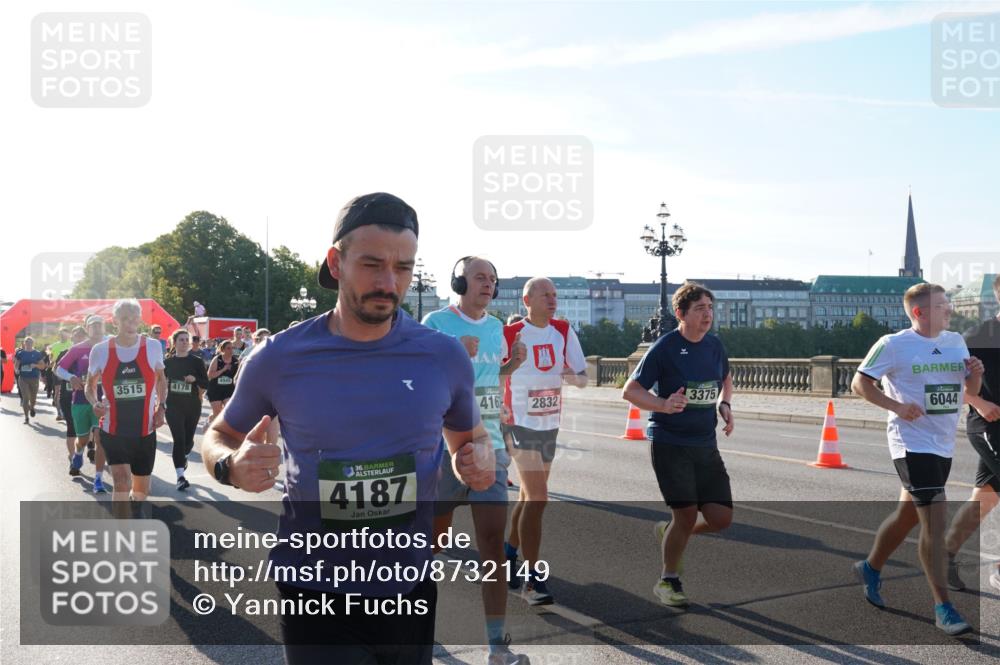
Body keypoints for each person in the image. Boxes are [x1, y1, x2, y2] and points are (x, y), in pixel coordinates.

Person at [202, 192, 494, 665]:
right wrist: (229, 467)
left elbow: (470, 442)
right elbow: (218, 436)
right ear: (336, 262)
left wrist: (479, 463)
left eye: (403, 267)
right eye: (372, 264)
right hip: (314, 589)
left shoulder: (443, 356)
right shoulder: (278, 357)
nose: (388, 282)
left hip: (408, 586)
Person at [851, 283, 983, 636]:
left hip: (942, 443)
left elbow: (967, 392)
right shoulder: (893, 344)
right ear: (919, 312)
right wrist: (896, 406)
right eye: (942, 305)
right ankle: (944, 607)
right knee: (934, 522)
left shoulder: (955, 341)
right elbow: (860, 383)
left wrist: (976, 374)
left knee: (907, 515)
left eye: (948, 304)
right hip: (910, 443)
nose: (949, 310)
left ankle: (870, 567)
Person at [423, 256, 529, 664]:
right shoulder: (435, 324)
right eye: (480, 277)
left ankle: (497, 647)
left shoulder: (496, 329)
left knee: (492, 547)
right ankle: (421, 631)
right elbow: (415, 379)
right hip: (442, 449)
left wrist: (512, 366)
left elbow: (487, 381)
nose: (488, 284)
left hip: (491, 449)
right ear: (459, 282)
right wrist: (450, 353)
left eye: (493, 279)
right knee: (430, 546)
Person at [622, 283, 735, 607]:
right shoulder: (666, 347)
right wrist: (662, 404)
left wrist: (725, 405)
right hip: (670, 442)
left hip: (705, 444)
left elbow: (725, 378)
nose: (707, 314)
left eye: (710, 308)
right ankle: (668, 580)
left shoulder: (714, 346)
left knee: (721, 518)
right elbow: (630, 390)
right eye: (700, 309)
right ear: (681, 314)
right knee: (685, 515)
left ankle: (671, 531)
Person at [501, 277, 587, 606]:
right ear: (527, 300)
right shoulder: (510, 334)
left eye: (555, 294)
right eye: (545, 294)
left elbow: (582, 377)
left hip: (549, 422)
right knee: (538, 497)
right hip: (518, 424)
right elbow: (492, 375)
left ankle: (508, 554)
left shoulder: (563, 331)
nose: (553, 300)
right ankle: (533, 581)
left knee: (527, 498)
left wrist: (571, 376)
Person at [945, 274, 1000, 593]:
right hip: (990, 425)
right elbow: (947, 380)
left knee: (985, 499)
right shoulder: (979, 336)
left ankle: (943, 556)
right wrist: (977, 401)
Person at [85, 299, 167, 508]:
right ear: (115, 321)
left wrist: (161, 407)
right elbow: (89, 385)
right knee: (121, 482)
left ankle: (132, 508)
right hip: (113, 429)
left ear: (139, 320)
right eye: (124, 319)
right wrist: (95, 402)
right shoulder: (101, 350)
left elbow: (161, 380)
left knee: (141, 491)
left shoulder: (153, 346)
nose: (130, 324)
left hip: (144, 431)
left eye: (134, 319)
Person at [56, 316, 109, 487]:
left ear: (104, 327)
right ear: (87, 328)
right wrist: (70, 377)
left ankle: (99, 478)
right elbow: (59, 368)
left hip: (104, 401)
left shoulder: (111, 346)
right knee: (83, 439)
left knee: (101, 439)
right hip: (80, 400)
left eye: (99, 325)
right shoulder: (78, 349)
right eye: (92, 326)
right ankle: (78, 452)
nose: (96, 328)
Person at [165, 329, 209, 491]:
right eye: (181, 340)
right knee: (179, 439)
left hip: (192, 406)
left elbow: (206, 384)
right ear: (174, 342)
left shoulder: (196, 362)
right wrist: (159, 403)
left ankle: (184, 457)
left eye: (186, 340)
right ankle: (180, 477)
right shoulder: (167, 363)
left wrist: (195, 379)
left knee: (188, 441)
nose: (184, 342)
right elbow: (161, 384)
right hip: (173, 406)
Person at [54, 327, 88, 474]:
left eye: (82, 336)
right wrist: (70, 377)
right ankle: (73, 459)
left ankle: (86, 448)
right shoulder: (65, 353)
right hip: (68, 396)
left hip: (87, 397)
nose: (79, 338)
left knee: (87, 430)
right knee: (71, 428)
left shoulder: (92, 352)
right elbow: (56, 370)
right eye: (76, 336)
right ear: (72, 338)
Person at [14, 337, 45, 424]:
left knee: (33, 398)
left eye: (30, 342)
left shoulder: (37, 353)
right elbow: (16, 363)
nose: (28, 344)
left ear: (33, 343)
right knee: (25, 397)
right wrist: (16, 369)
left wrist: (35, 365)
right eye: (27, 342)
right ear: (24, 343)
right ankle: (26, 417)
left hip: (34, 378)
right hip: (23, 378)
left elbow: (42, 366)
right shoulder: (20, 353)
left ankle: (32, 408)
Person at [206, 340, 238, 423]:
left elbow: (238, 376)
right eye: (228, 348)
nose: (231, 350)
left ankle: (222, 431)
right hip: (215, 389)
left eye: (232, 348)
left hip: (229, 390)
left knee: (229, 411)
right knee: (217, 414)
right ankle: (211, 419)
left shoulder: (235, 361)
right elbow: (210, 375)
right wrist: (223, 370)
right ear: (223, 350)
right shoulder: (217, 359)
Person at [49, 329, 73, 421]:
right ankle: (59, 413)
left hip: (70, 371)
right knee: (58, 392)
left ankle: (68, 411)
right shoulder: (54, 346)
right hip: (57, 370)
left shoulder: (72, 344)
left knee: (69, 392)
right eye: (62, 334)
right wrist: (52, 362)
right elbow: (51, 359)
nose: (63, 336)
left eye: (65, 334)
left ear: (68, 335)